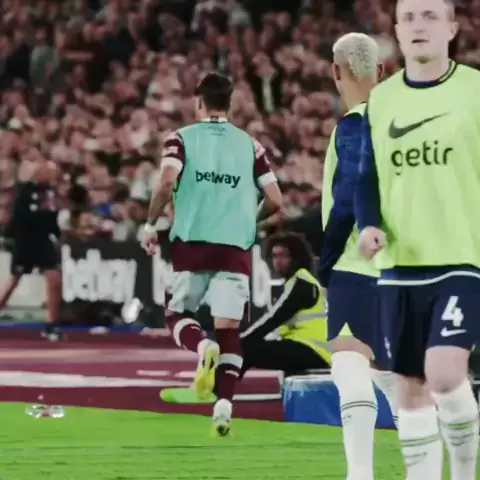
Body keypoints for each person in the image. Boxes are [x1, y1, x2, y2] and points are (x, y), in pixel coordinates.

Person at [356, 1, 479, 479]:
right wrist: (368, 224)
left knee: (444, 375)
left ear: (451, 28)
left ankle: (464, 472)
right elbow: (366, 177)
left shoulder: (473, 90)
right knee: (409, 387)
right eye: (409, 18)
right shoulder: (382, 100)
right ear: (396, 31)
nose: (418, 26)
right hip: (399, 265)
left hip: (463, 258)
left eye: (429, 16)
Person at [141, 72, 282, 437]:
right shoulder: (251, 145)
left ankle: (203, 347)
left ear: (199, 102)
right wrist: (247, 220)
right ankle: (224, 407)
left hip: (193, 243)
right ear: (229, 104)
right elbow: (276, 199)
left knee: (177, 314)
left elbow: (166, 182)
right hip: (235, 247)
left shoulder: (181, 139)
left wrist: (150, 223)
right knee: (229, 330)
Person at [319, 32, 399, 480]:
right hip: (405, 270)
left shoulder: (353, 126)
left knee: (350, 366)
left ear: (336, 71)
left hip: (356, 266)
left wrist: (326, 259)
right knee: (401, 380)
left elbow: (349, 195)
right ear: (381, 71)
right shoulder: (405, 125)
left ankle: (360, 475)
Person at [240, 232, 330, 377]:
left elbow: (273, 318)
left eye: (284, 256)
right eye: (275, 256)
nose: (278, 261)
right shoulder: (299, 281)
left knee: (244, 350)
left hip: (313, 349)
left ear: (297, 257)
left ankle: (223, 388)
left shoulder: (301, 283)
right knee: (253, 347)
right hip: (310, 348)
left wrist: (241, 340)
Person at [0, 160, 64, 341]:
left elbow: (53, 217)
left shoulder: (51, 193)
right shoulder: (25, 191)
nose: (53, 176)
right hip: (26, 241)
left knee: (54, 278)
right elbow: (19, 217)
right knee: (14, 280)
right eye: (49, 172)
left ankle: (51, 324)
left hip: (44, 241)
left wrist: (56, 234)